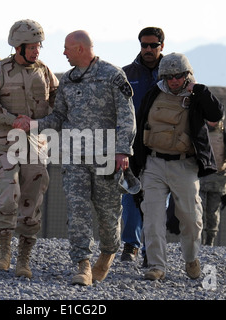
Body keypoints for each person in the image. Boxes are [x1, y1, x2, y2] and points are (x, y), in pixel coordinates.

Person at [17, 30, 136, 285]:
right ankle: (82, 264)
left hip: (105, 157)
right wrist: (33, 124)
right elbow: (58, 118)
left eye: (66, 48)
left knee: (108, 214)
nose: (63, 53)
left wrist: (123, 151)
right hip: (74, 157)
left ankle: (107, 254)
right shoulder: (68, 81)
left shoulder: (112, 76)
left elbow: (127, 117)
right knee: (77, 210)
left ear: (80, 49)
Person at [132, 52, 224, 280]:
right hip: (153, 163)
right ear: (163, 75)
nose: (174, 80)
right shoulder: (154, 94)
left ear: (187, 75)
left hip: (184, 165)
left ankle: (191, 259)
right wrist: (135, 165)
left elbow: (216, 114)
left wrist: (200, 90)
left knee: (191, 219)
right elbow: (140, 124)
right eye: (169, 76)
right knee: (152, 218)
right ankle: (156, 266)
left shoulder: (196, 96)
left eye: (179, 75)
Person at [0, 19, 59, 278]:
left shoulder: (45, 71)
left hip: (35, 144)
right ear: (19, 47)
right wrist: (12, 119)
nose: (37, 51)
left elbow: (58, 101)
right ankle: (4, 252)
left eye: (39, 46)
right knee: (8, 194)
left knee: (32, 199)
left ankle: (24, 258)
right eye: (33, 46)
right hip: (4, 143)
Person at [121, 27, 165, 264]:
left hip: (162, 146)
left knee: (158, 201)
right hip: (132, 146)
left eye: (153, 45)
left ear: (162, 46)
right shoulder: (127, 74)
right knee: (130, 196)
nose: (148, 49)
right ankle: (130, 244)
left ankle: (152, 250)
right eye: (144, 45)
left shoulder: (174, 74)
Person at [199, 117, 226, 246]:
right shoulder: (200, 131)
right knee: (199, 210)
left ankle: (210, 240)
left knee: (212, 212)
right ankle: (199, 240)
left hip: (218, 180)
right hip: (201, 178)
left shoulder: (223, 135)